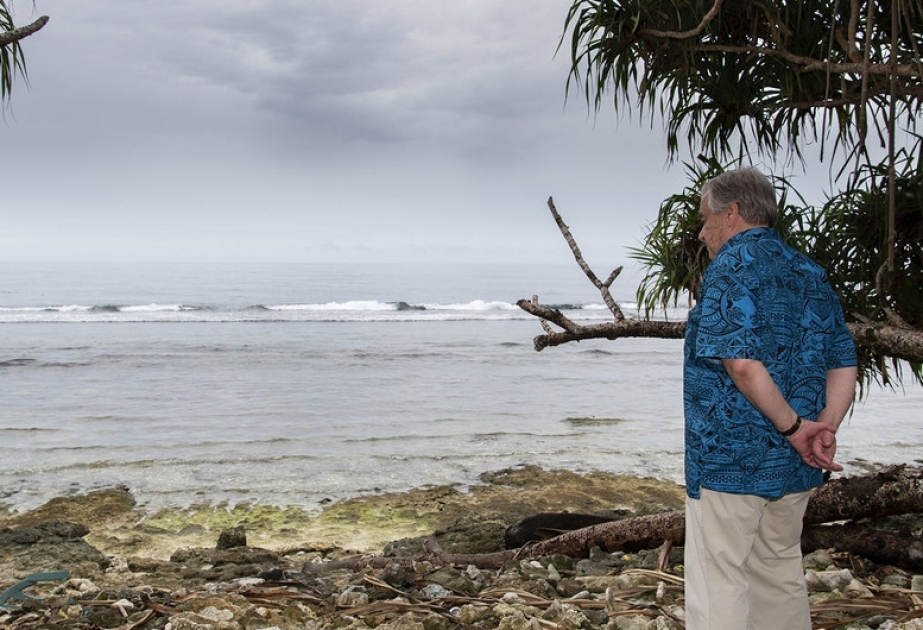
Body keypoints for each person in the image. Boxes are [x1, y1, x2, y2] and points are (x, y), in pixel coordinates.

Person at [682, 167, 858, 630]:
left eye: (706, 218)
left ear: (732, 213)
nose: (702, 232)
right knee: (778, 570)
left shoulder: (730, 267)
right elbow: (843, 361)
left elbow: (741, 364)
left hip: (729, 459)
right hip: (794, 464)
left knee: (719, 577)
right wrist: (823, 428)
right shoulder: (808, 270)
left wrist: (798, 430)